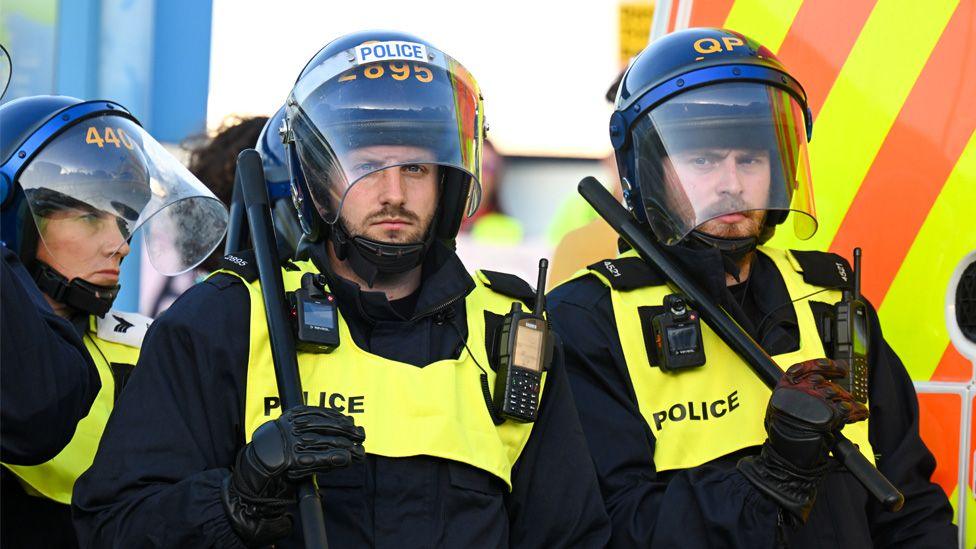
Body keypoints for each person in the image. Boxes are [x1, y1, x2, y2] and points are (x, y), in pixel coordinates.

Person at [73, 30, 610, 548]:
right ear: (318, 178)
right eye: (368, 166)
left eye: (416, 167)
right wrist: (236, 499)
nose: (394, 193)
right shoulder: (229, 319)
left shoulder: (510, 338)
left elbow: (569, 534)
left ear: (448, 180)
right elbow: (115, 525)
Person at [547, 28, 957, 547]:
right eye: (702, 159)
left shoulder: (833, 303)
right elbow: (614, 528)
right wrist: (771, 475)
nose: (732, 183)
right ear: (648, 170)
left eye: (750, 159)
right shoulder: (588, 320)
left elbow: (909, 506)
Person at [0, 95, 229, 547]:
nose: (119, 243)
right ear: (14, 222)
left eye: (124, 218)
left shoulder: (152, 349)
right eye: (89, 216)